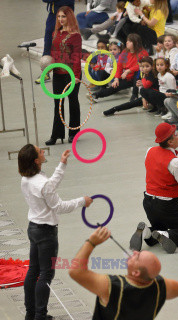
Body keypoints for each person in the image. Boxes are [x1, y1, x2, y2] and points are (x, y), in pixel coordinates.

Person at [68, 226, 178, 319]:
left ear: (136, 274)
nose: (133, 253)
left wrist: (91, 242)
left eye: (137, 257)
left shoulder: (113, 287)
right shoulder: (159, 286)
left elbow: (75, 271)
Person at [18, 144, 92, 320]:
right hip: (46, 233)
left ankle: (31, 313)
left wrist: (62, 164)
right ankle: (40, 315)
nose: (43, 151)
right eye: (40, 151)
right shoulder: (42, 183)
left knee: (33, 271)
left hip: (33, 228)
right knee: (46, 274)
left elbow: (48, 187)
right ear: (36, 160)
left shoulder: (27, 179)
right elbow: (59, 206)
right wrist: (82, 201)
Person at [127, 123, 178, 254]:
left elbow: (159, 163)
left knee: (159, 228)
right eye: (176, 135)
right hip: (168, 206)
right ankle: (164, 235)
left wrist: (175, 159)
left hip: (149, 202)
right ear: (170, 141)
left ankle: (146, 232)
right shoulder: (174, 163)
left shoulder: (150, 151)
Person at [46, 6, 82, 146]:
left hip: (72, 75)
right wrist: (48, 68)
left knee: (73, 103)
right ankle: (56, 135)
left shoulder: (75, 36)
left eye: (63, 17)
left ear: (69, 18)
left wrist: (77, 76)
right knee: (58, 105)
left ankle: (74, 133)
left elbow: (77, 57)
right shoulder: (56, 32)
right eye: (59, 17)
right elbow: (53, 52)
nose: (61, 19)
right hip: (58, 74)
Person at [92, 33, 148, 102]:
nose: (127, 42)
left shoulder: (143, 53)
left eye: (129, 41)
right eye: (127, 40)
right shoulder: (125, 51)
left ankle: (134, 95)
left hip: (136, 76)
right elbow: (119, 66)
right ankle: (96, 95)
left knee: (137, 73)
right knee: (115, 86)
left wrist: (128, 71)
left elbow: (141, 66)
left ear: (135, 43)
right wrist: (116, 79)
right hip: (125, 77)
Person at [36, 0, 75, 85]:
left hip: (66, 14)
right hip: (53, 14)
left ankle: (67, 72)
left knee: (64, 42)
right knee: (49, 41)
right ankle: (46, 71)